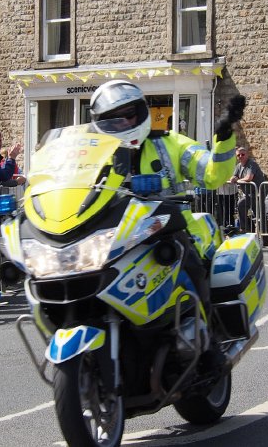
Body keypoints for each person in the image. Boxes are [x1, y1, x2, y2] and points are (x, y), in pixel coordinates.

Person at [89, 80, 242, 313]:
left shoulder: (171, 143)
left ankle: (206, 335)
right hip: (112, 243)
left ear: (141, 112)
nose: (125, 122)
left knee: (192, 272)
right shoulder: (94, 155)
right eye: (114, 118)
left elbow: (213, 175)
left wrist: (224, 136)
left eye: (130, 114)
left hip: (172, 234)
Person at [229, 147, 265, 233]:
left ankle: (265, 237)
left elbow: (249, 177)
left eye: (243, 154)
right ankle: (246, 229)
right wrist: (233, 178)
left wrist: (238, 180)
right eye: (238, 155)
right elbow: (234, 176)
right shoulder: (239, 166)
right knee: (241, 204)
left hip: (258, 193)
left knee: (260, 214)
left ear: (247, 155)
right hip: (248, 194)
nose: (240, 156)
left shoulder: (252, 164)